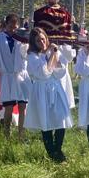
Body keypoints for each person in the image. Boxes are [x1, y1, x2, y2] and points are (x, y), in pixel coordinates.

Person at [25, 26, 74, 161]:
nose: (42, 42)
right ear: (33, 43)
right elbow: (44, 73)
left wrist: (54, 54)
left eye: (43, 39)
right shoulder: (32, 56)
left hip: (56, 89)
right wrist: (52, 55)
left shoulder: (52, 52)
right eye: (38, 41)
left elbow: (60, 72)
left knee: (61, 120)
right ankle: (52, 153)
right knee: (45, 122)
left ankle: (58, 149)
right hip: (42, 91)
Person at [0, 13, 29, 139]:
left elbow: (27, 56)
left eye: (15, 27)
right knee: (8, 107)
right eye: (11, 26)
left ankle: (21, 134)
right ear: (6, 25)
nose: (13, 30)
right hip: (6, 77)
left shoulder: (21, 39)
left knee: (22, 106)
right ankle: (7, 134)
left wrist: (25, 42)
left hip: (21, 76)